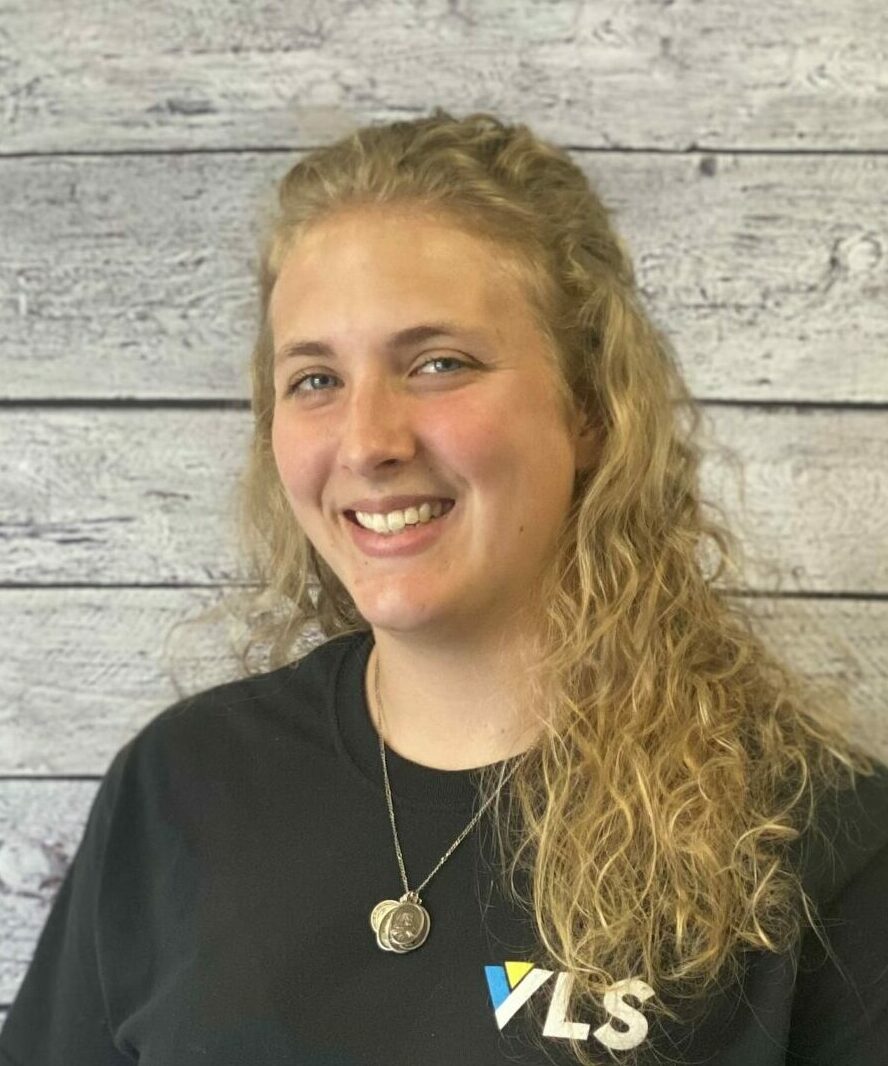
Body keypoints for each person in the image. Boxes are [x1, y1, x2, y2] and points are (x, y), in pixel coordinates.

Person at [1, 108, 886, 1066]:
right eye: (313, 380)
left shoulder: (811, 838)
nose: (368, 441)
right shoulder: (178, 788)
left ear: (589, 408)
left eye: (438, 364)